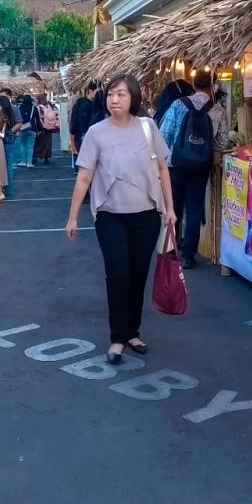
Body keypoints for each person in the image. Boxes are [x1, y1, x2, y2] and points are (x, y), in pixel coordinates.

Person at [65, 74, 177, 366]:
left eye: (122, 95)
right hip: (110, 216)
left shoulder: (147, 127)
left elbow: (163, 169)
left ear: (133, 99)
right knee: (118, 272)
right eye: (111, 94)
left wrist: (170, 209)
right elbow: (85, 176)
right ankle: (117, 337)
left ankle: (132, 331)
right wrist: (73, 216)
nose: (114, 99)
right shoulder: (96, 133)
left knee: (138, 274)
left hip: (146, 215)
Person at [160, 71, 230, 269]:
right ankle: (188, 255)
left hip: (176, 165)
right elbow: (222, 142)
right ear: (212, 85)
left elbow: (164, 135)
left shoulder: (178, 104)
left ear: (193, 84)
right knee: (194, 210)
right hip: (200, 166)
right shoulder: (217, 110)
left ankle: (171, 249)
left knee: (174, 208)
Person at [69, 82, 98, 172]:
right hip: (83, 140)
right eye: (98, 92)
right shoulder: (85, 105)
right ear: (91, 91)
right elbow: (79, 125)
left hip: (82, 140)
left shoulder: (83, 103)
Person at [33, 93, 58, 165]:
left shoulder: (38, 107)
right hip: (49, 126)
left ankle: (35, 157)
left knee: (37, 143)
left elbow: (37, 117)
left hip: (41, 126)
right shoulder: (49, 106)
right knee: (47, 143)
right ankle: (46, 158)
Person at [15, 94, 38, 169]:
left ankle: (23, 161)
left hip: (21, 128)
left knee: (22, 145)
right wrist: (39, 129)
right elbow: (37, 119)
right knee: (30, 146)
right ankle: (29, 162)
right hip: (32, 128)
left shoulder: (19, 108)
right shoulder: (33, 108)